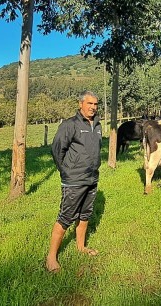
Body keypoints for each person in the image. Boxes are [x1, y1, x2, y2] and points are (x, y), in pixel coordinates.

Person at [45, 90, 102, 273]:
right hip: (74, 179)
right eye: (89, 104)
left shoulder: (98, 124)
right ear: (81, 104)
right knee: (66, 217)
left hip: (92, 178)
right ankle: (51, 257)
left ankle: (80, 247)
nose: (93, 107)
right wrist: (66, 171)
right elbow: (57, 149)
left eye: (95, 104)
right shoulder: (70, 125)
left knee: (85, 215)